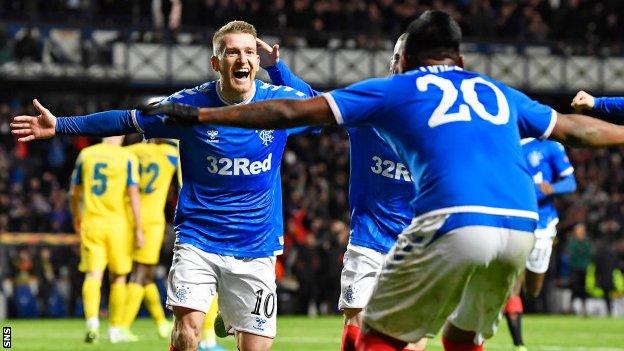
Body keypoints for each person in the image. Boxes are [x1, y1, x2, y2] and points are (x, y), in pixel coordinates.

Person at [129, 10, 624, 351]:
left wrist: (199, 118)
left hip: (453, 223)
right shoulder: (494, 90)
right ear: (460, 60)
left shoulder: (399, 89)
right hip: (522, 224)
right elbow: (574, 130)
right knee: (458, 338)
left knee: (380, 335)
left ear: (406, 60)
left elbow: (290, 108)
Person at [11, 20, 310, 351]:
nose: (242, 59)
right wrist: (62, 124)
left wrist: (278, 67)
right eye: (232, 52)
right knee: (187, 333)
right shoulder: (189, 105)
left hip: (256, 244)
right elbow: (129, 118)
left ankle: (228, 309)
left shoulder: (278, 103)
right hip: (200, 238)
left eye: (250, 53)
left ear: (257, 61)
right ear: (216, 63)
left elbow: (320, 111)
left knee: (255, 348)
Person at [257, 35, 426, 351]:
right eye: (395, 56)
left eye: (404, 57)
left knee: (410, 338)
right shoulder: (370, 106)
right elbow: (310, 103)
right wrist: (275, 68)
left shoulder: (439, 120)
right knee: (356, 322)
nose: (396, 63)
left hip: (418, 245)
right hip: (369, 240)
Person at [69, 135, 143, 343]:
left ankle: (92, 323)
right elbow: (134, 194)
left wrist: (76, 216)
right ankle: (115, 330)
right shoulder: (127, 157)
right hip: (118, 225)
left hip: (91, 222)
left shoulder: (86, 154)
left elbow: (74, 193)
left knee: (93, 275)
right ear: (120, 134)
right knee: (119, 277)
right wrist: (139, 228)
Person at [504, 138, 576, 351]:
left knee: (533, 289)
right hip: (513, 222)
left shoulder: (549, 146)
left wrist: (551, 188)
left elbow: (570, 182)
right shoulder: (506, 142)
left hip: (543, 225)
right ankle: (519, 344)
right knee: (511, 285)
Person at [120, 138, 178, 340]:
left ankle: (161, 322)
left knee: (147, 276)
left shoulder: (134, 151)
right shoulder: (170, 154)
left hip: (130, 216)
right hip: (151, 220)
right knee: (141, 273)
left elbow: (117, 155)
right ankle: (122, 327)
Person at [566, 223, 592, 316]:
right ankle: (571, 307)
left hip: (584, 268)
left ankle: (584, 308)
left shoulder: (586, 242)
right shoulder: (573, 242)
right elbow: (572, 253)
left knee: (583, 288)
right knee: (574, 288)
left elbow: (589, 254)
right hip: (574, 268)